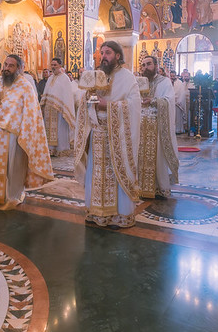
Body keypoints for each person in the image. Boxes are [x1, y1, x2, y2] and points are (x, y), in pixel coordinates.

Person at [74, 41, 141, 227]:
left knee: (116, 175)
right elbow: (84, 102)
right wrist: (88, 99)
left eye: (108, 52)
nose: (103, 56)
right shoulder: (96, 76)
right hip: (97, 135)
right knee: (96, 174)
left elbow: (135, 106)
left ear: (118, 56)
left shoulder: (127, 77)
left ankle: (119, 215)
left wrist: (108, 106)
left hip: (117, 137)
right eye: (101, 53)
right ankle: (98, 213)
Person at [0, 54, 54, 208]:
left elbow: (32, 113)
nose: (6, 68)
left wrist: (24, 132)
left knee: (12, 168)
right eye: (5, 64)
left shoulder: (25, 87)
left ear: (19, 68)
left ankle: (11, 196)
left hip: (14, 135)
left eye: (11, 65)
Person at [138, 56, 179, 198]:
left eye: (148, 64)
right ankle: (140, 187)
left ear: (156, 65)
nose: (145, 67)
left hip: (157, 126)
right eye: (143, 65)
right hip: (141, 127)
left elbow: (169, 101)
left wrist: (154, 100)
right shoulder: (139, 82)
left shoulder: (165, 82)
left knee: (158, 158)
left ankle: (159, 188)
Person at [41, 58, 76, 157]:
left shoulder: (64, 78)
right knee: (49, 130)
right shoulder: (50, 78)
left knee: (60, 129)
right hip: (49, 109)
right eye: (52, 65)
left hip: (60, 110)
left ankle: (61, 149)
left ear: (60, 65)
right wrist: (43, 105)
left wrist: (63, 107)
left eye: (55, 65)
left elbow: (67, 95)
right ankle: (51, 150)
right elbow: (46, 92)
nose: (53, 67)